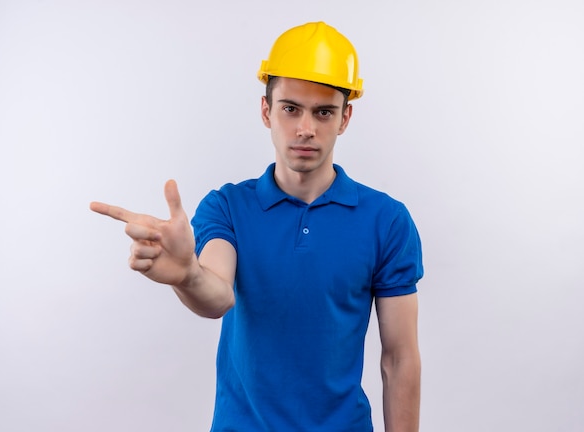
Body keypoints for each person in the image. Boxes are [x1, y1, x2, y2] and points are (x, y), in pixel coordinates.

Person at [91, 21, 423, 432]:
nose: (306, 128)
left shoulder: (386, 220)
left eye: (323, 112)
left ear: (345, 118)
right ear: (266, 111)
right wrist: (187, 275)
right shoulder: (228, 206)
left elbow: (399, 357)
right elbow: (216, 295)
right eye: (290, 108)